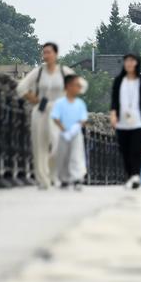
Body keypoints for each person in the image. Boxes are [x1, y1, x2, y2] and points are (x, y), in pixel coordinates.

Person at [16, 42, 87, 189]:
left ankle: (54, 174)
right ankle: (42, 179)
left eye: (49, 52)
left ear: (56, 54)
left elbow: (82, 85)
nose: (46, 55)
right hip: (41, 110)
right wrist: (33, 99)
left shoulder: (64, 71)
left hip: (59, 111)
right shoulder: (39, 72)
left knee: (58, 145)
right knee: (39, 146)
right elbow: (21, 87)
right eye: (44, 52)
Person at [109, 53, 141, 190]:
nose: (129, 63)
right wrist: (113, 114)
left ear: (137, 63)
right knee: (125, 150)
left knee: (136, 150)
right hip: (123, 122)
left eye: (132, 61)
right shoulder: (119, 81)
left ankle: (135, 176)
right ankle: (130, 176)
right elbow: (114, 100)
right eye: (126, 60)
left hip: (139, 122)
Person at [50, 74, 88, 190]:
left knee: (76, 155)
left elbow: (83, 119)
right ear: (69, 86)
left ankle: (77, 178)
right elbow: (55, 117)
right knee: (63, 156)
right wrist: (63, 129)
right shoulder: (60, 103)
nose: (79, 87)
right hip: (63, 134)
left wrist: (76, 128)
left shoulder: (80, 103)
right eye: (76, 85)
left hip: (76, 133)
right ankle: (64, 178)